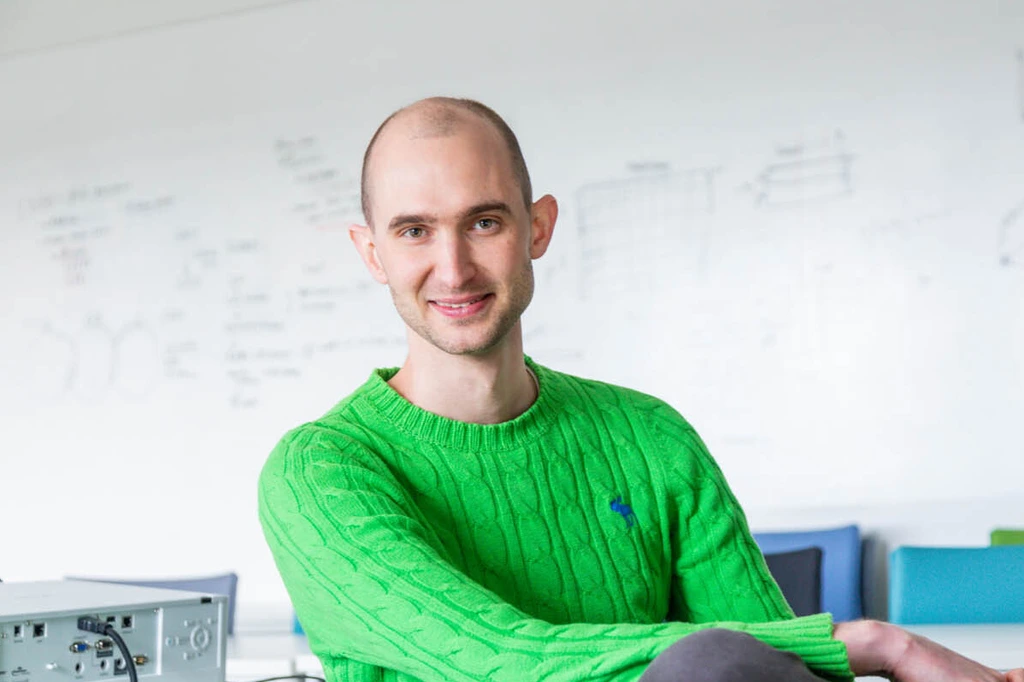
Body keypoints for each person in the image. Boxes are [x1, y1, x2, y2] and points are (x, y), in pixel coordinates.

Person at [258, 97, 1024, 682]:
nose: (453, 269)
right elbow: (502, 656)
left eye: (483, 223)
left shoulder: (648, 437)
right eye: (414, 231)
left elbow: (766, 669)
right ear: (371, 253)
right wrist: (875, 641)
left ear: (538, 229)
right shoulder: (321, 472)